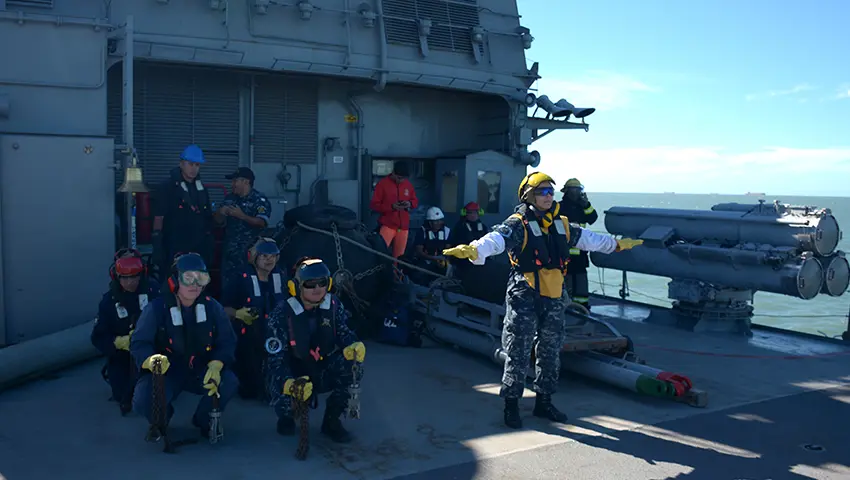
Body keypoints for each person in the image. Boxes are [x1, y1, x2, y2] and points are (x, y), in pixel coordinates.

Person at [443, 172, 643, 429]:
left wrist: (616, 245)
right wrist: (475, 250)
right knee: (518, 350)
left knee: (550, 350)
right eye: (543, 192)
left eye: (551, 192)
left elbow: (590, 240)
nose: (549, 196)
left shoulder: (562, 224)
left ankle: (544, 401)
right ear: (529, 196)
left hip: (554, 295)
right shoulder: (518, 224)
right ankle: (511, 405)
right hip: (524, 293)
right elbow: (496, 240)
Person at [130, 253, 239, 438]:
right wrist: (150, 360)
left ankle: (204, 419)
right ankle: (161, 420)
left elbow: (227, 341)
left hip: (201, 368)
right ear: (175, 280)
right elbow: (139, 342)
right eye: (188, 278)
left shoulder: (213, 308)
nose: (194, 285)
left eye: (200, 278)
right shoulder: (156, 309)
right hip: (167, 371)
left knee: (228, 382)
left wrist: (217, 363)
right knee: (143, 398)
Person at [264, 257, 365, 443]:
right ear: (297, 287)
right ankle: (286, 416)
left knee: (353, 367)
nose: (317, 288)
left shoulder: (333, 306)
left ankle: (332, 421)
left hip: (321, 366)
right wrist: (289, 383)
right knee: (277, 380)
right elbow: (275, 360)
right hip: (293, 369)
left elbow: (343, 333)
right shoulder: (281, 314)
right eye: (310, 284)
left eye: (322, 283)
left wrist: (353, 345)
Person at [91, 248, 161, 415]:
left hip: (152, 351)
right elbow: (98, 337)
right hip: (123, 355)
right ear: (116, 276)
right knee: (122, 394)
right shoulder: (108, 301)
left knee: (156, 391)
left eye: (134, 276)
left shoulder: (155, 293)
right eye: (125, 277)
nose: (130, 282)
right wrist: (118, 342)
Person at [221, 237, 288, 400]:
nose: (269, 260)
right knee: (250, 390)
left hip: (276, 334)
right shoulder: (239, 278)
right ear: (254, 257)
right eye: (264, 255)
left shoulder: (281, 276)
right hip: (248, 336)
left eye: (273, 256)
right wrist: (237, 314)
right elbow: (221, 309)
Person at [151, 145, 215, 280]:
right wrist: (157, 243)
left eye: (197, 165)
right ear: (181, 164)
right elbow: (159, 217)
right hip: (173, 245)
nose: (194, 168)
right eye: (190, 164)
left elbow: (207, 216)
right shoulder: (166, 188)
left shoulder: (202, 189)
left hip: (198, 246)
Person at [214, 167, 272, 290]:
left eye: (235, 181)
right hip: (230, 253)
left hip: (250, 254)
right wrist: (220, 212)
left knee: (249, 287)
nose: (232, 184)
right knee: (227, 288)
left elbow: (262, 222)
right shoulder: (229, 198)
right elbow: (217, 221)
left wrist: (242, 216)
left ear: (246, 182)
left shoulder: (259, 200)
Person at [559, 178, 599, 311]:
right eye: (574, 189)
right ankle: (566, 306)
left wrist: (587, 205)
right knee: (566, 280)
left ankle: (582, 307)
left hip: (580, 253)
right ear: (567, 191)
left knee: (581, 281)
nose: (576, 192)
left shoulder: (583, 207)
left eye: (578, 189)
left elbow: (593, 218)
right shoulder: (559, 207)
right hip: (564, 253)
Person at [369, 161, 418, 258]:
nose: (401, 180)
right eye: (399, 178)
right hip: (387, 225)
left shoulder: (408, 185)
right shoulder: (382, 184)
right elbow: (374, 205)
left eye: (403, 178)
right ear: (393, 173)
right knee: (381, 253)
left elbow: (415, 201)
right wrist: (391, 207)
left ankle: (397, 268)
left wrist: (409, 204)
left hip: (403, 227)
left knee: (399, 257)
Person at [447, 201, 488, 275]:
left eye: (475, 213)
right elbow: (451, 243)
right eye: (470, 213)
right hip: (462, 261)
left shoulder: (483, 227)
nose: (473, 215)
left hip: (480, 260)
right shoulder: (459, 227)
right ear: (465, 213)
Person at [411, 206, 451, 279]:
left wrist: (444, 259)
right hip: (426, 261)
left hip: (441, 261)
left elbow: (448, 249)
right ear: (430, 222)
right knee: (418, 274)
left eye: (440, 220)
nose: (439, 223)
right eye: (436, 221)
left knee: (448, 271)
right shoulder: (422, 231)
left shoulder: (447, 231)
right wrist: (433, 258)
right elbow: (419, 251)